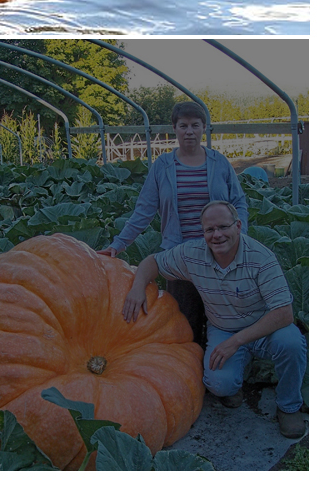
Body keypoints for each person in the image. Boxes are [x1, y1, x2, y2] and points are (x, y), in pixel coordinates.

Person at [122, 200, 306, 439]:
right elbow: (153, 262)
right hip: (225, 330)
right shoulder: (193, 254)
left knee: (292, 343)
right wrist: (137, 286)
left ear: (238, 226)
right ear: (203, 233)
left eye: (223, 227)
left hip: (264, 329)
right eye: (210, 230)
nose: (217, 235)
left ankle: (289, 405)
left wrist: (236, 341)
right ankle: (237, 375)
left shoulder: (261, 258)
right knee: (219, 384)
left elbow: (284, 313)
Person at [98, 101, 248, 344]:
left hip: (219, 255)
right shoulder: (163, 166)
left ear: (204, 128)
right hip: (179, 259)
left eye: (195, 125)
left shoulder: (219, 162)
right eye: (183, 126)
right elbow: (144, 211)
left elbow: (238, 203)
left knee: (220, 322)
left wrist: (241, 237)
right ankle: (190, 378)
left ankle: (216, 375)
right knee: (185, 324)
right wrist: (119, 244)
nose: (189, 131)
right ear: (175, 129)